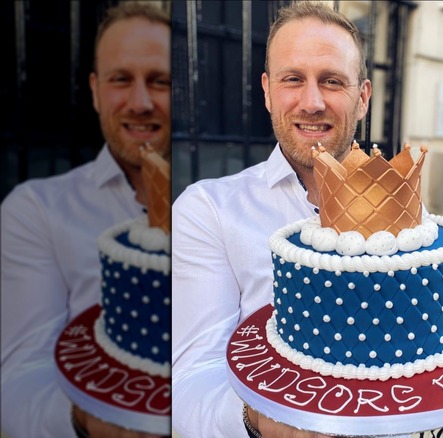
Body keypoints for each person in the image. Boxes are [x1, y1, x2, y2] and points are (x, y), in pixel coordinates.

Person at [171, 2, 375, 437]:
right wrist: (264, 419)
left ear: (362, 98)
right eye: (293, 79)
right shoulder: (208, 211)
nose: (312, 102)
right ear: (267, 91)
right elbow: (188, 387)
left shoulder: (406, 218)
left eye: (333, 81)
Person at [0, 3, 171, 437]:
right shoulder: (36, 210)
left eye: (160, 82)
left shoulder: (213, 199)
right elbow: (19, 384)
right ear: (95, 91)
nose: (141, 102)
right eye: (120, 80)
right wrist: (92, 420)